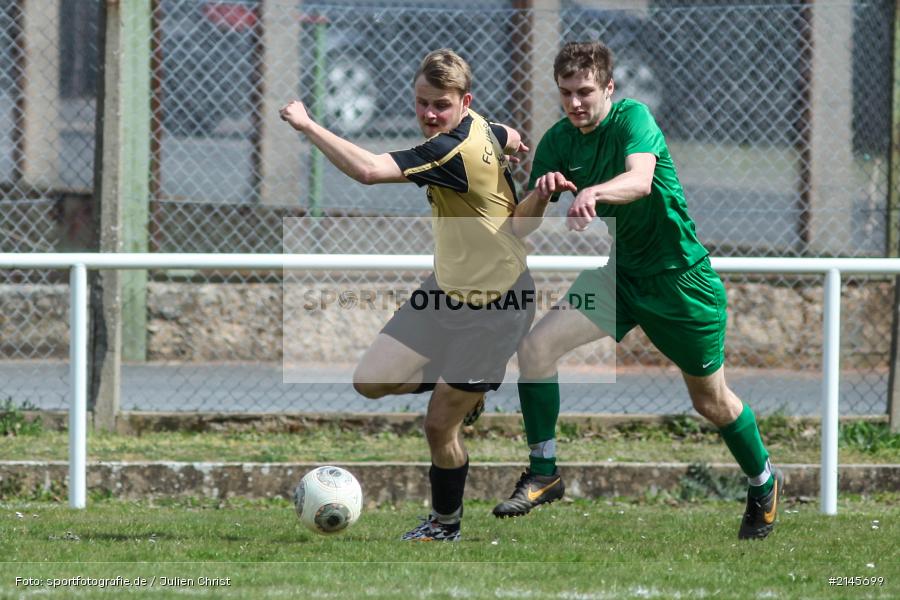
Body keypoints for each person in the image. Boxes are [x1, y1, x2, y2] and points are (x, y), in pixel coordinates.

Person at [494, 41, 783, 540]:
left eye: (585, 91)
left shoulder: (633, 118)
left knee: (710, 402)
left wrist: (593, 191)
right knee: (536, 348)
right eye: (566, 93)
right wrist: (540, 194)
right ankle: (544, 473)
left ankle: (764, 481)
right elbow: (518, 229)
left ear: (608, 87)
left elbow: (641, 180)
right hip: (621, 277)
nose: (575, 103)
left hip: (682, 284)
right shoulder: (559, 140)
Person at [281, 49, 535, 542]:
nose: (428, 115)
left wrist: (308, 126)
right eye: (421, 103)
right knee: (371, 380)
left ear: (465, 102)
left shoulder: (450, 151)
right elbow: (502, 132)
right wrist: (513, 139)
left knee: (439, 424)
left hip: (496, 305)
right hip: (444, 291)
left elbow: (370, 170)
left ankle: (445, 525)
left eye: (440, 105)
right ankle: (469, 390)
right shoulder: (479, 125)